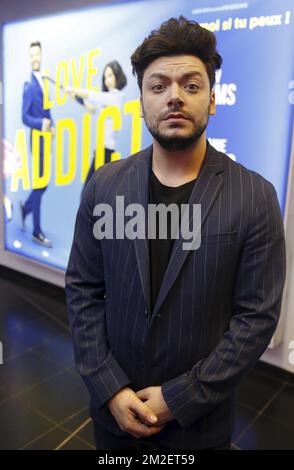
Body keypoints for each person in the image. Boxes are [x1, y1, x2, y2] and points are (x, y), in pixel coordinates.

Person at [65, 17, 286, 451]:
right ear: (142, 102)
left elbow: (255, 318)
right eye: (158, 86)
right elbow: (82, 290)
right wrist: (110, 388)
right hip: (112, 420)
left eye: (191, 84)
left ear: (213, 99)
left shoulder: (255, 196)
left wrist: (179, 398)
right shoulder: (104, 185)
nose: (174, 98)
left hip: (198, 427)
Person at [66, 60, 126, 193]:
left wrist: (73, 89)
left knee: (90, 193)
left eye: (110, 75)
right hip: (100, 151)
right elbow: (93, 108)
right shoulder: (107, 99)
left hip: (106, 153)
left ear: (117, 75)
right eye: (105, 77)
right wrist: (75, 97)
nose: (107, 80)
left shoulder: (116, 97)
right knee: (92, 194)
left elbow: (93, 96)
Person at [20, 41, 54, 247]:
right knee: (40, 183)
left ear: (41, 56)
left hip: (46, 139)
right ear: (29, 57)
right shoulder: (29, 86)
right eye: (31, 55)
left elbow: (47, 110)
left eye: (37, 54)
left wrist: (53, 125)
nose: (34, 58)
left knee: (43, 183)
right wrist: (42, 124)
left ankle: (25, 208)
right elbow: (24, 117)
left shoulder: (43, 82)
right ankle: (36, 231)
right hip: (37, 141)